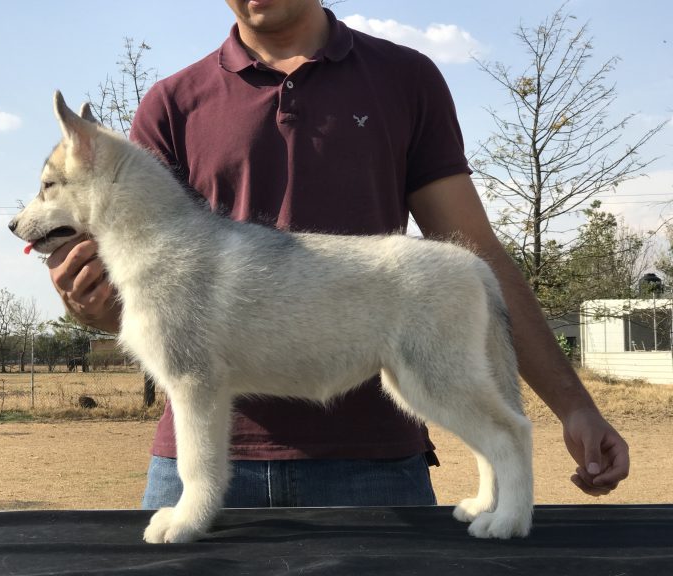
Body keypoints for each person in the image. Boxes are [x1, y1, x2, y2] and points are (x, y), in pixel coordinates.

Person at [47, 0, 629, 507]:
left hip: (372, 461)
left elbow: (477, 256)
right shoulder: (171, 102)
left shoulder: (405, 78)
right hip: (201, 458)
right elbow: (148, 288)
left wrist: (574, 405)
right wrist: (93, 304)